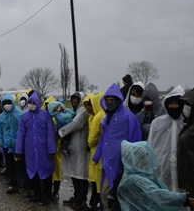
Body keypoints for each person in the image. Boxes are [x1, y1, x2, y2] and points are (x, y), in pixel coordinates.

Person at [93, 83, 142, 211]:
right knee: (105, 195)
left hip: (122, 164)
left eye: (112, 100)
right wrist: (97, 155)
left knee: (116, 196)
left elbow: (135, 139)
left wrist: (132, 163)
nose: (109, 103)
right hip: (107, 161)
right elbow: (103, 138)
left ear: (118, 100)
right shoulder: (107, 118)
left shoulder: (129, 117)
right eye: (107, 100)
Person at [117, 140, 194, 210]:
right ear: (133, 160)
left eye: (146, 156)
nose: (146, 160)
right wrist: (182, 199)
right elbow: (156, 195)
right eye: (142, 157)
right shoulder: (132, 180)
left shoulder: (140, 176)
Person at [15, 91, 56, 206]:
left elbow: (50, 132)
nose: (32, 104)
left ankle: (47, 196)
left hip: (43, 149)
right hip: (30, 149)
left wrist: (51, 149)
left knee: (46, 172)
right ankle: (37, 193)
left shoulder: (45, 115)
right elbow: (21, 133)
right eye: (30, 102)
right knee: (33, 172)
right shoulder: (24, 117)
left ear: (38, 103)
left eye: (34, 102)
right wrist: (19, 150)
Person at [147, 85, 185, 192]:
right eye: (171, 104)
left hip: (181, 172)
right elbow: (150, 147)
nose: (174, 107)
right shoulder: (157, 123)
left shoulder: (187, 123)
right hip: (161, 170)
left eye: (177, 103)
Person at [58, 92, 90, 210]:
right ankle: (77, 196)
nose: (74, 101)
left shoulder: (83, 111)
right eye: (73, 99)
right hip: (74, 147)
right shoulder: (75, 111)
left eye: (77, 99)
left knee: (82, 173)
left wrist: (61, 131)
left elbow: (76, 124)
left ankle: (82, 199)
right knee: (75, 172)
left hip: (81, 146)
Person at [0, 93, 23, 194]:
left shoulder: (19, 115)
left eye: (9, 103)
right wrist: (1, 143)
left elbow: (23, 129)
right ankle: (14, 184)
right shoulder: (1, 117)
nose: (7, 105)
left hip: (18, 145)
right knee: (10, 165)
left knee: (20, 165)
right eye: (5, 103)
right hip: (7, 145)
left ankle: (23, 184)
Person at [85, 93, 105, 210]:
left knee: (96, 180)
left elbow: (92, 138)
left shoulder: (98, 117)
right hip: (103, 152)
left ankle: (96, 203)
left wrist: (89, 144)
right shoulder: (103, 114)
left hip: (96, 152)